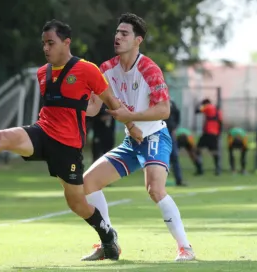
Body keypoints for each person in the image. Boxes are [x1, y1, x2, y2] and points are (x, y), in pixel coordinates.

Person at [0, 19, 139, 259]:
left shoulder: (88, 70)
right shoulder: (42, 73)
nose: (46, 48)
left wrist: (131, 125)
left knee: (76, 203)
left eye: (51, 43)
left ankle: (108, 238)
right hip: (42, 132)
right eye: (43, 43)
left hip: (67, 146)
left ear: (66, 43)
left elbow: (112, 102)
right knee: (2, 136)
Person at [82, 13, 195, 262]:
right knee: (88, 183)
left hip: (155, 135)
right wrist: (73, 101)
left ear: (138, 40)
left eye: (124, 33)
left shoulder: (149, 69)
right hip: (131, 141)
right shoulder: (105, 69)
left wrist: (130, 115)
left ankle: (185, 247)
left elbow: (164, 109)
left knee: (154, 188)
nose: (118, 37)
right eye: (117, 32)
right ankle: (108, 241)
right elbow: (91, 108)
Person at [195, 99, 222, 175]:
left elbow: (197, 111)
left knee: (197, 149)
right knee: (215, 151)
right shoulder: (218, 110)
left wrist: (199, 105)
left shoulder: (208, 106)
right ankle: (217, 169)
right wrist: (218, 133)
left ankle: (200, 169)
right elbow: (220, 122)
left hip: (207, 133)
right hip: (215, 133)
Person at [164, 100, 186, 186]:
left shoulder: (172, 103)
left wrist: (175, 127)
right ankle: (159, 181)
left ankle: (179, 180)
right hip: (159, 134)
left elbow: (177, 115)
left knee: (174, 156)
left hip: (170, 133)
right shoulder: (155, 102)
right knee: (160, 157)